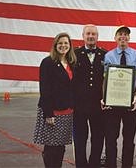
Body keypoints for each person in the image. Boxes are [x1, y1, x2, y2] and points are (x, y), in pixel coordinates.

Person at [102, 25, 136, 168]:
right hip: (112, 103)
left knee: (128, 139)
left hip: (131, 103)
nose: (123, 37)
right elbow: (105, 79)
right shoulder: (108, 56)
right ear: (115, 38)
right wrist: (104, 97)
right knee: (111, 138)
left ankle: (127, 165)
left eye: (126, 34)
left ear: (129, 38)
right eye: (120, 34)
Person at [33, 32, 77, 168]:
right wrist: (48, 113)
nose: (63, 46)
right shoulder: (48, 62)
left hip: (67, 111)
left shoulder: (71, 62)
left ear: (70, 46)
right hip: (53, 111)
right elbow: (44, 89)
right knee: (51, 147)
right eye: (60, 43)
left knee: (61, 146)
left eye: (66, 43)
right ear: (55, 45)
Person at [73, 25, 107, 167]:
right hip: (79, 104)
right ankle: (81, 164)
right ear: (83, 35)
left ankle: (94, 163)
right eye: (88, 34)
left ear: (97, 36)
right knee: (80, 137)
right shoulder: (74, 54)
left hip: (98, 104)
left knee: (98, 136)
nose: (91, 36)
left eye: (93, 34)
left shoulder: (105, 54)